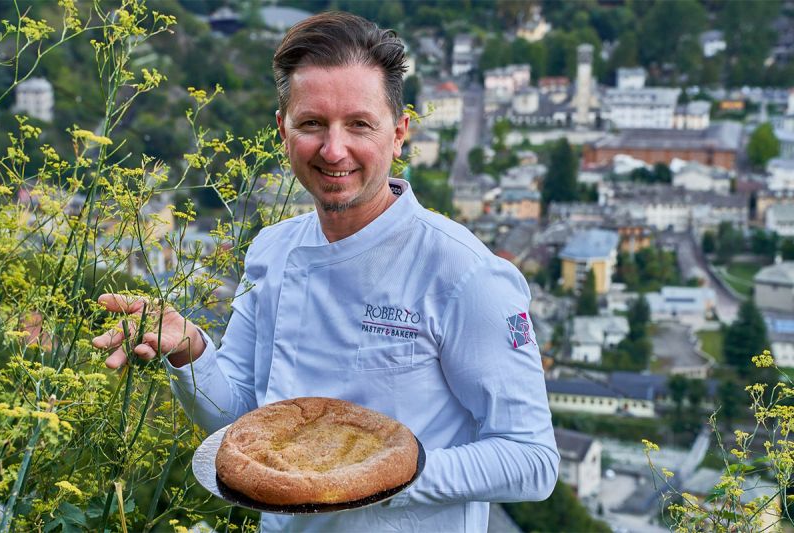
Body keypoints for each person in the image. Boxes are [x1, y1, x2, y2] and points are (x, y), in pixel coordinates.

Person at [93, 12, 558, 532]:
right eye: (312, 123)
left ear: (399, 133)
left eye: (359, 124)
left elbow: (532, 460)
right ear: (283, 131)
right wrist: (190, 351)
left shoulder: (464, 273)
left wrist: (377, 475)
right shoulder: (272, 251)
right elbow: (241, 423)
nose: (334, 150)